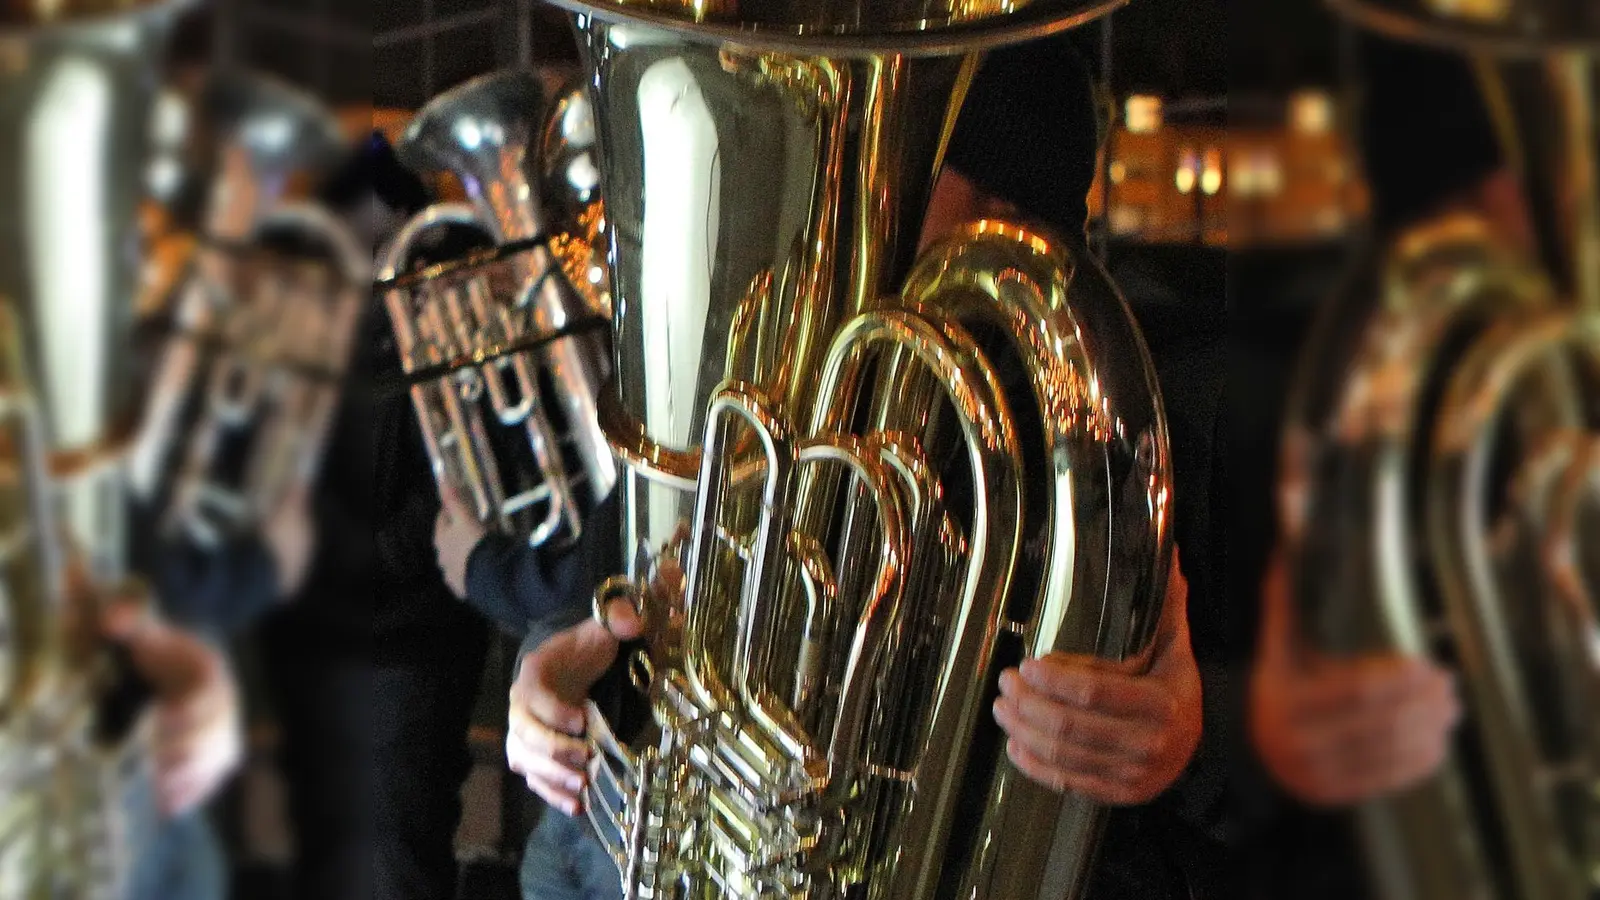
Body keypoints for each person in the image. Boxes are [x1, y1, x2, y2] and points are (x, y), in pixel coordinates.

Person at [461, 30, 1220, 900]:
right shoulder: (769, 362)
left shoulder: (1122, 435)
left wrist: (1178, 743)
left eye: (871, 174)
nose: (814, 213)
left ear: (1000, 218)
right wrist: (540, 677)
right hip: (635, 850)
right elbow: (617, 581)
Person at [253, 131, 494, 900]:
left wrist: (352, 557)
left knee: (395, 853)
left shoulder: (447, 316)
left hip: (409, 645)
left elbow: (464, 482)